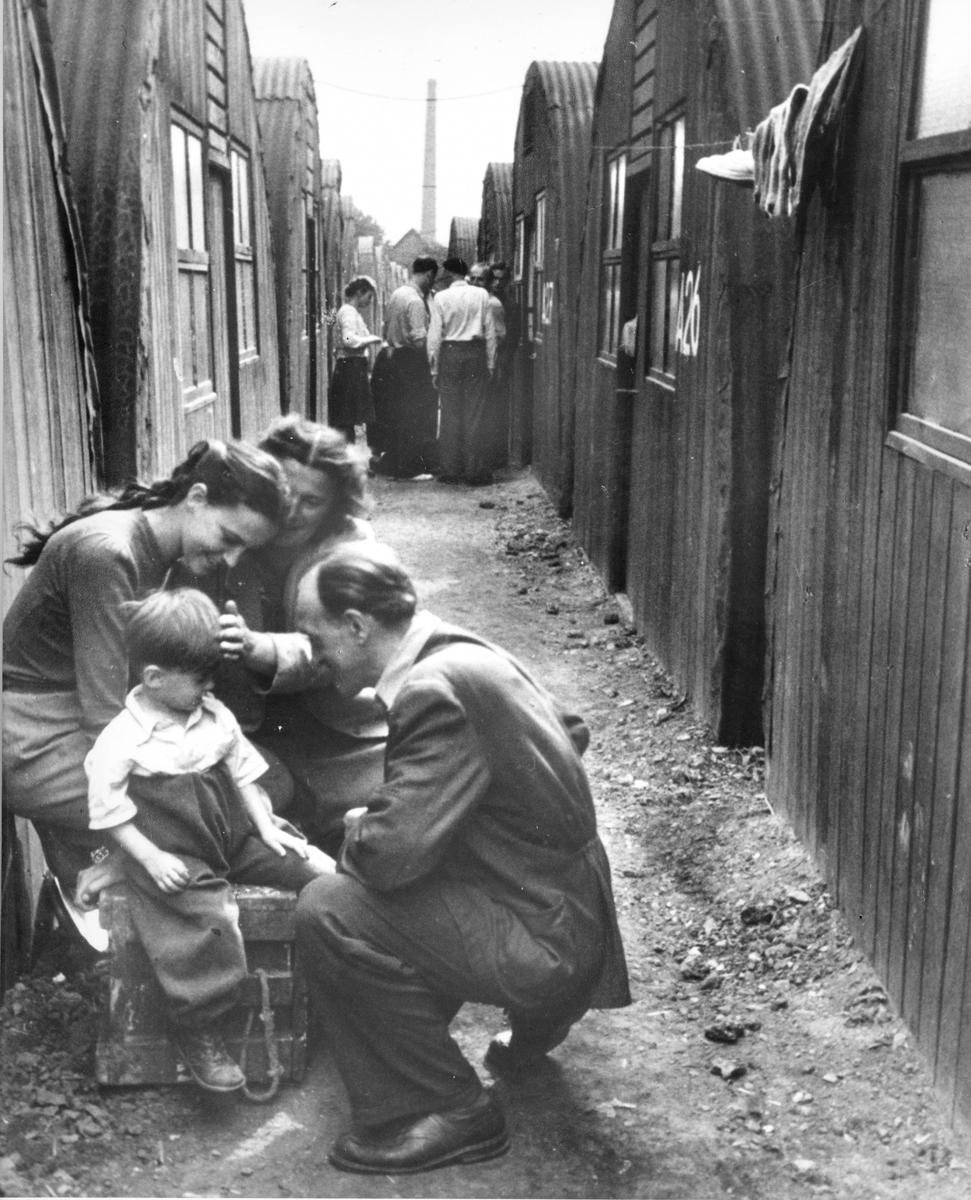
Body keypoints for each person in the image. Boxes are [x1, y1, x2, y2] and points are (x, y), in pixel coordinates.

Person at [293, 542, 630, 1175]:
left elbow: (389, 861)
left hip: (546, 940)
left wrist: (360, 825)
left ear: (358, 626)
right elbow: (572, 730)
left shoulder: (429, 690)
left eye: (318, 640)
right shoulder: (464, 650)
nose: (316, 658)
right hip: (575, 912)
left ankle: (452, 1108)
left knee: (330, 907)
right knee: (428, 858)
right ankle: (535, 1027)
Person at [2, 439, 291, 914]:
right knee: (217, 796)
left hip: (90, 726)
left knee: (260, 779)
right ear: (196, 499)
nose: (232, 558)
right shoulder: (107, 554)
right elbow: (105, 715)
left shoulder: (157, 549)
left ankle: (144, 860)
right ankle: (125, 867)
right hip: (38, 741)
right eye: (229, 537)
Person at [84, 589, 331, 1092]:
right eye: (200, 679)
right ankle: (198, 1024)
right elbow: (109, 809)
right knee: (210, 923)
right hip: (176, 852)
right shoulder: (124, 739)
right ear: (154, 678)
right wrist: (149, 858)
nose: (210, 686)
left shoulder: (214, 715)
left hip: (232, 836)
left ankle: (335, 983)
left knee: (314, 872)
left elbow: (243, 776)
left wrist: (265, 828)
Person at [192, 415, 387, 855]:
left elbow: (344, 647)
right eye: (284, 491)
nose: (292, 511)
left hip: (335, 726)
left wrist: (260, 648)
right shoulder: (236, 531)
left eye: (312, 501)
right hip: (244, 722)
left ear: (338, 505)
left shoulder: (351, 547)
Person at [426, 257, 498, 486]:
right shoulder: (482, 295)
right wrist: (491, 363)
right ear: (466, 273)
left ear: (448, 274)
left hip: (450, 355)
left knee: (450, 412)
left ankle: (450, 469)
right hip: (475, 355)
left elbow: (435, 335)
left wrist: (434, 368)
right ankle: (475, 471)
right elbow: (490, 333)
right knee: (475, 413)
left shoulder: (441, 297)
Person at [373, 256, 439, 479]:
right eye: (432, 278)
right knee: (414, 415)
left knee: (395, 414)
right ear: (429, 274)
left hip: (392, 358)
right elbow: (420, 340)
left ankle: (392, 462)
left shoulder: (398, 294)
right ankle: (410, 468)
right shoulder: (416, 302)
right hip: (411, 360)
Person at [329, 276, 382, 445]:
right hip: (349, 368)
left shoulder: (350, 312)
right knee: (346, 420)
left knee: (347, 420)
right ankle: (348, 461)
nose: (370, 301)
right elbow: (348, 339)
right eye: (369, 296)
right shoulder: (348, 312)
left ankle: (349, 460)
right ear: (360, 293)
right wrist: (371, 339)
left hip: (352, 367)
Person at [469, 263, 508, 470]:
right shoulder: (472, 301)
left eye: (480, 279)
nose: (475, 283)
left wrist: (481, 340)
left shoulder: (492, 304)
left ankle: (486, 462)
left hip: (488, 363)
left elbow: (501, 336)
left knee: (486, 413)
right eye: (472, 278)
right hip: (474, 365)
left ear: (488, 282)